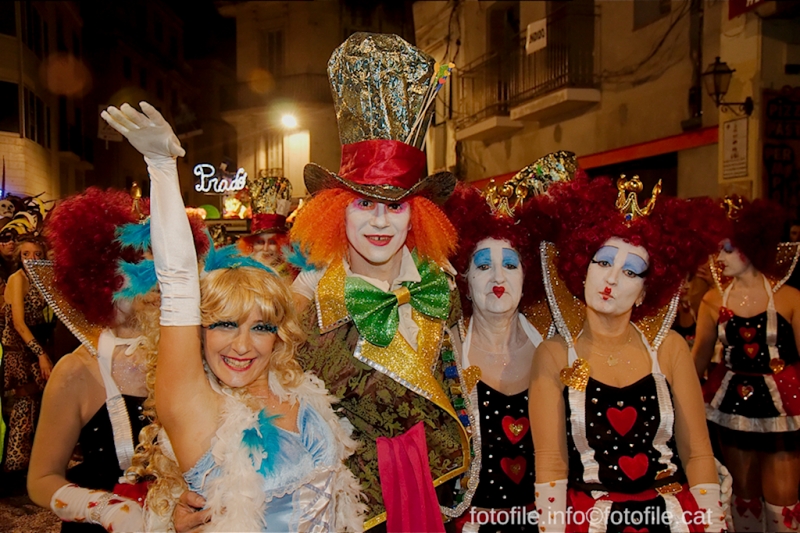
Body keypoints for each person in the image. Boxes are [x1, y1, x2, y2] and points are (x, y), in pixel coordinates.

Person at [102, 101, 365, 532]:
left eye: (260, 327)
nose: (243, 345)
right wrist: (162, 167)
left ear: (279, 336)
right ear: (199, 333)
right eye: (224, 325)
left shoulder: (301, 391)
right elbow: (179, 277)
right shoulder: (197, 410)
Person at [287, 33, 475, 532]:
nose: (380, 221)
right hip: (342, 506)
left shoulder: (442, 289)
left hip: (433, 494)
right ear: (334, 212)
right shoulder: (304, 304)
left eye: (395, 205)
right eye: (363, 203)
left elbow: (458, 389)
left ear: (418, 215)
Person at [530, 175, 727, 533]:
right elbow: (551, 463)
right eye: (603, 262)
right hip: (588, 520)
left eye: (630, 271)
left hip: (671, 518)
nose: (611, 279)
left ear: (644, 292)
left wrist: (712, 524)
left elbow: (698, 451)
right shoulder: (553, 354)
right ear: (582, 268)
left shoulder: (670, 350)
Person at [25, 187, 208, 532]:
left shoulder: (194, 353)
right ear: (100, 278)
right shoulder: (75, 372)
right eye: (138, 266)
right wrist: (105, 509)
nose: (155, 282)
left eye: (163, 267)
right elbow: (40, 478)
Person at [441, 155, 575, 532]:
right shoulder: (443, 350)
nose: (497, 277)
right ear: (464, 278)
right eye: (483, 265)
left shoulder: (556, 346)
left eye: (511, 264)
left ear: (527, 276)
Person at [693, 196, 800, 532]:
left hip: (785, 406)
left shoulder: (791, 298)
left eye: (727, 248)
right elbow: (698, 358)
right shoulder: (711, 300)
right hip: (730, 404)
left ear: (754, 243)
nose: (718, 257)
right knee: (743, 494)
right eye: (715, 248)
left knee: (783, 498)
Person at [2, 233, 53, 481]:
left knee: (34, 407)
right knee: (23, 408)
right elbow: (19, 324)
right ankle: (13, 471)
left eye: (37, 254)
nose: (32, 259)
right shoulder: (17, 279)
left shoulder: (39, 279)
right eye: (26, 254)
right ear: (18, 257)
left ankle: (28, 469)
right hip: (19, 350)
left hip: (33, 347)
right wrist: (42, 354)